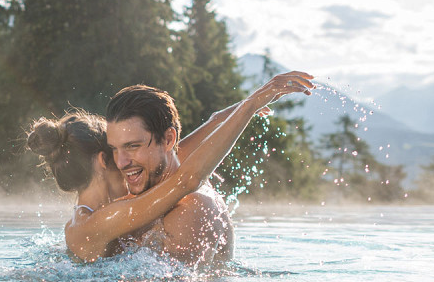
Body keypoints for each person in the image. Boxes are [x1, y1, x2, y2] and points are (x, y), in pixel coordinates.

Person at [27, 72, 314, 264]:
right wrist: (249, 106)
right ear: (104, 160)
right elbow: (186, 176)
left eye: (130, 147)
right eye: (116, 151)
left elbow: (183, 149)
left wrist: (249, 104)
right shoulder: (95, 221)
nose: (125, 163)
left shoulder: (157, 187)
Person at [106, 85, 235, 264]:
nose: (121, 163)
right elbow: (178, 155)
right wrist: (215, 121)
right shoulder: (159, 178)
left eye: (133, 146)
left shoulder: (190, 210)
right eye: (114, 149)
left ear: (167, 140)